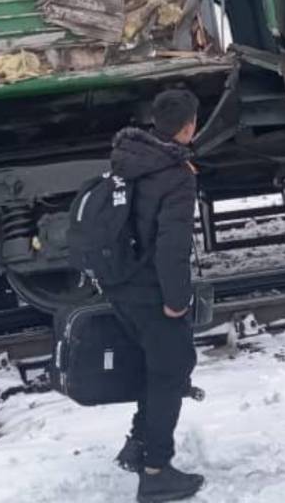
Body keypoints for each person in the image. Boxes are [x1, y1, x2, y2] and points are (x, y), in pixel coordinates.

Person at [107, 87, 205, 503]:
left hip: (123, 283)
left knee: (154, 366)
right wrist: (177, 300)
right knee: (172, 371)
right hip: (153, 289)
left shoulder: (129, 158)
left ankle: (136, 446)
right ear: (188, 127)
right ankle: (156, 470)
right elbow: (172, 247)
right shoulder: (176, 175)